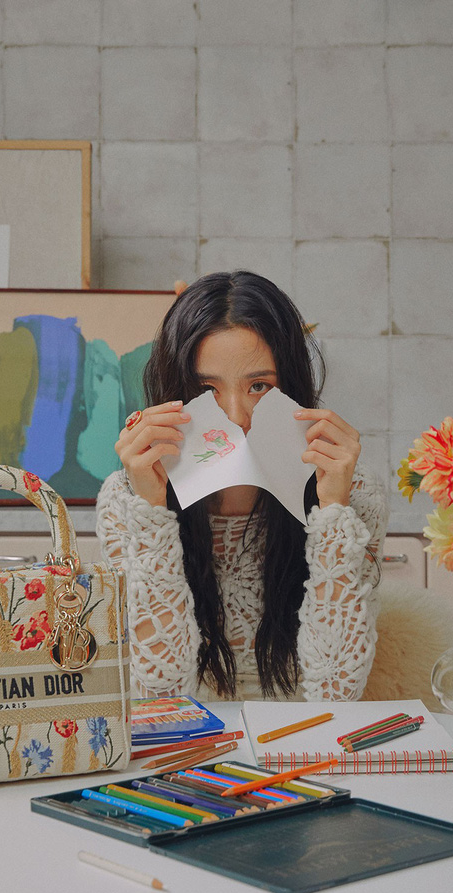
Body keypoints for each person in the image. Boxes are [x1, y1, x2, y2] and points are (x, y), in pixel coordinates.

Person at [96, 271, 388, 702]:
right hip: (190, 734)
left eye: (258, 386)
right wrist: (152, 510)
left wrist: (333, 512)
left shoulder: (352, 489)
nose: (236, 416)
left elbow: (337, 692)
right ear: (174, 392)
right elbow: (160, 694)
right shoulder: (127, 497)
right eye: (206, 389)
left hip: (304, 733)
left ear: (292, 387)